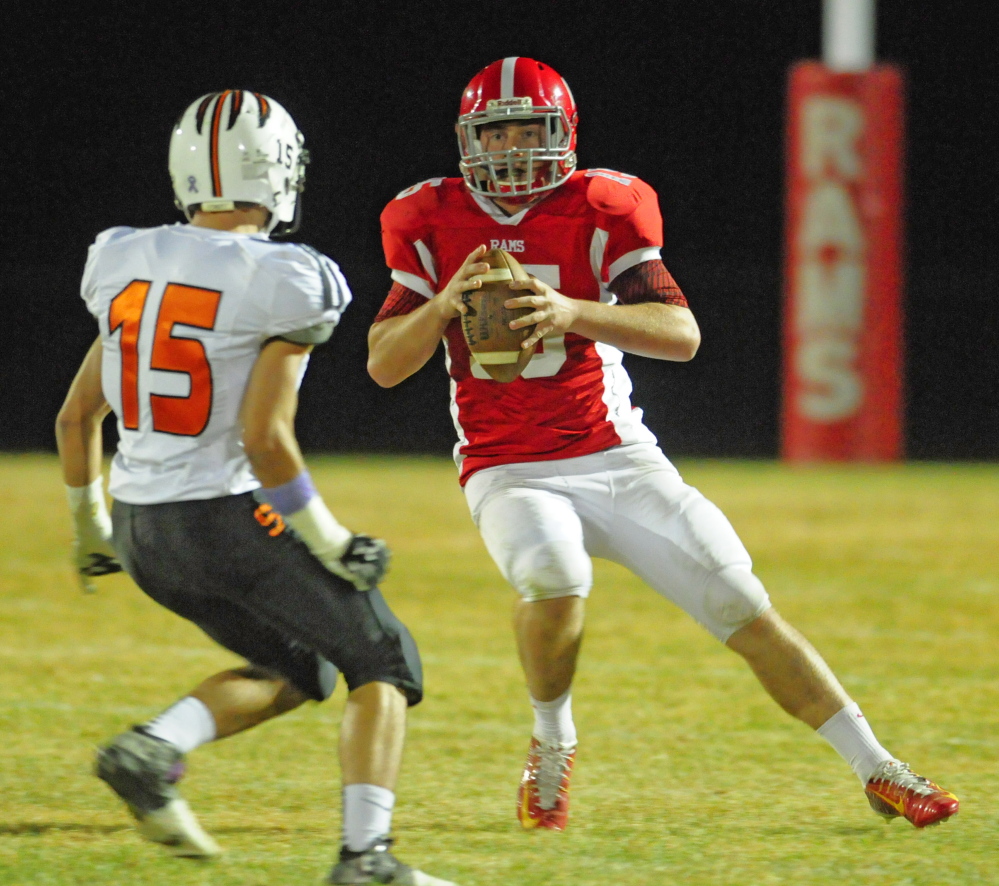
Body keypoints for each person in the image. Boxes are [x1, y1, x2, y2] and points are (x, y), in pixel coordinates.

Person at [367, 57, 959, 833]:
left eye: (526, 129)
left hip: (616, 455)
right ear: (467, 139)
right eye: (495, 131)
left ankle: (877, 768)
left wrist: (572, 311)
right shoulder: (428, 218)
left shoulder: (603, 205)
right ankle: (551, 745)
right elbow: (383, 365)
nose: (511, 148)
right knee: (552, 574)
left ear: (562, 134)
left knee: (738, 596)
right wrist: (443, 304)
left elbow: (680, 335)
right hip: (507, 466)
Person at [55, 89, 457, 886]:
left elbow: (76, 419)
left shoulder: (123, 256)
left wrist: (91, 530)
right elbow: (265, 439)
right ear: (275, 172)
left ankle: (151, 749)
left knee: (296, 670)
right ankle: (364, 860)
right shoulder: (284, 277)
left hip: (141, 526)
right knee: (384, 658)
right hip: (222, 517)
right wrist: (330, 540)